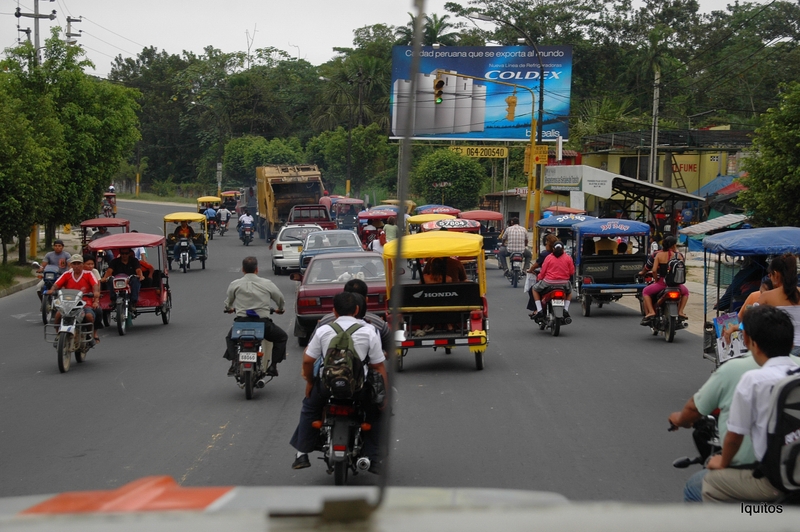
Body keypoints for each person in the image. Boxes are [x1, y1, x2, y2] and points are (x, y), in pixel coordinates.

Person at [703, 305, 799, 502]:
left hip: (775, 481)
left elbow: (734, 437)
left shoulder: (753, 380)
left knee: (709, 483)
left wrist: (723, 462)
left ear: (747, 341)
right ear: (791, 345)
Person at [290, 291, 387, 471]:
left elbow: (307, 361)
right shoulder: (369, 331)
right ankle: (374, 459)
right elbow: (378, 366)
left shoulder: (323, 330)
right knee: (376, 413)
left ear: (334, 311)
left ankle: (302, 454)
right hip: (358, 388)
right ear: (357, 309)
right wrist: (383, 396)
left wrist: (311, 383)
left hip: (327, 386)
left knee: (310, 408)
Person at [668, 354, 760, 502]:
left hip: (762, 476)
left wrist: (723, 461)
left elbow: (735, 434)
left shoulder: (735, 369)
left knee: (693, 488)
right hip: (792, 471)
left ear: (748, 339)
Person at [223, 256, 287, 377]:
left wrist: (229, 309)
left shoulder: (235, 284)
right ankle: (273, 366)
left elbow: (228, 302)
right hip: (262, 324)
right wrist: (280, 309)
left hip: (241, 324)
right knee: (282, 337)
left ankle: (234, 362)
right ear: (257, 269)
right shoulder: (267, 283)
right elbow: (280, 298)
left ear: (243, 269)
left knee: (231, 338)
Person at [315, 279, 392, 354]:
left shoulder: (324, 323)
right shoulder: (378, 324)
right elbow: (391, 352)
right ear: (366, 300)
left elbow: (310, 354)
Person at [48, 254, 101, 343]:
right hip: (68, 303)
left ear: (82, 264)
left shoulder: (88, 274)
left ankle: (89, 334)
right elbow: (57, 284)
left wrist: (95, 294)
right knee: (57, 315)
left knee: (89, 316)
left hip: (85, 303)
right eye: (74, 264)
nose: (76, 266)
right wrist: (52, 290)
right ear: (71, 265)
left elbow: (95, 285)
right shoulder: (66, 274)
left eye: (79, 263)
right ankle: (58, 335)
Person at [757, 254, 800, 356]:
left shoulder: (766, 297)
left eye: (770, 275)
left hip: (778, 351)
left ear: (776, 274)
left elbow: (754, 324)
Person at [641, 235, 689, 325]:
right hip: (676, 285)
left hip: (662, 283)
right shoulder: (679, 255)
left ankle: (651, 312)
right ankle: (680, 311)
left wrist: (656, 280)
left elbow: (654, 270)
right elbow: (684, 270)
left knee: (645, 292)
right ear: (673, 245)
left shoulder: (659, 255)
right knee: (686, 292)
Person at [530, 242, 575, 320]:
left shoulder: (548, 257)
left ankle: (539, 310)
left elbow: (543, 271)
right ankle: (566, 309)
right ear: (563, 249)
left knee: (534, 289)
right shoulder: (568, 258)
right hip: (564, 283)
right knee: (570, 292)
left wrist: (539, 278)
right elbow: (572, 272)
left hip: (548, 282)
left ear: (553, 249)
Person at [526, 234, 559, 316]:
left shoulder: (546, 256)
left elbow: (540, 269)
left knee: (533, 290)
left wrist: (532, 272)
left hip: (548, 280)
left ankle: (537, 309)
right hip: (563, 281)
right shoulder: (564, 256)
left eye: (547, 243)